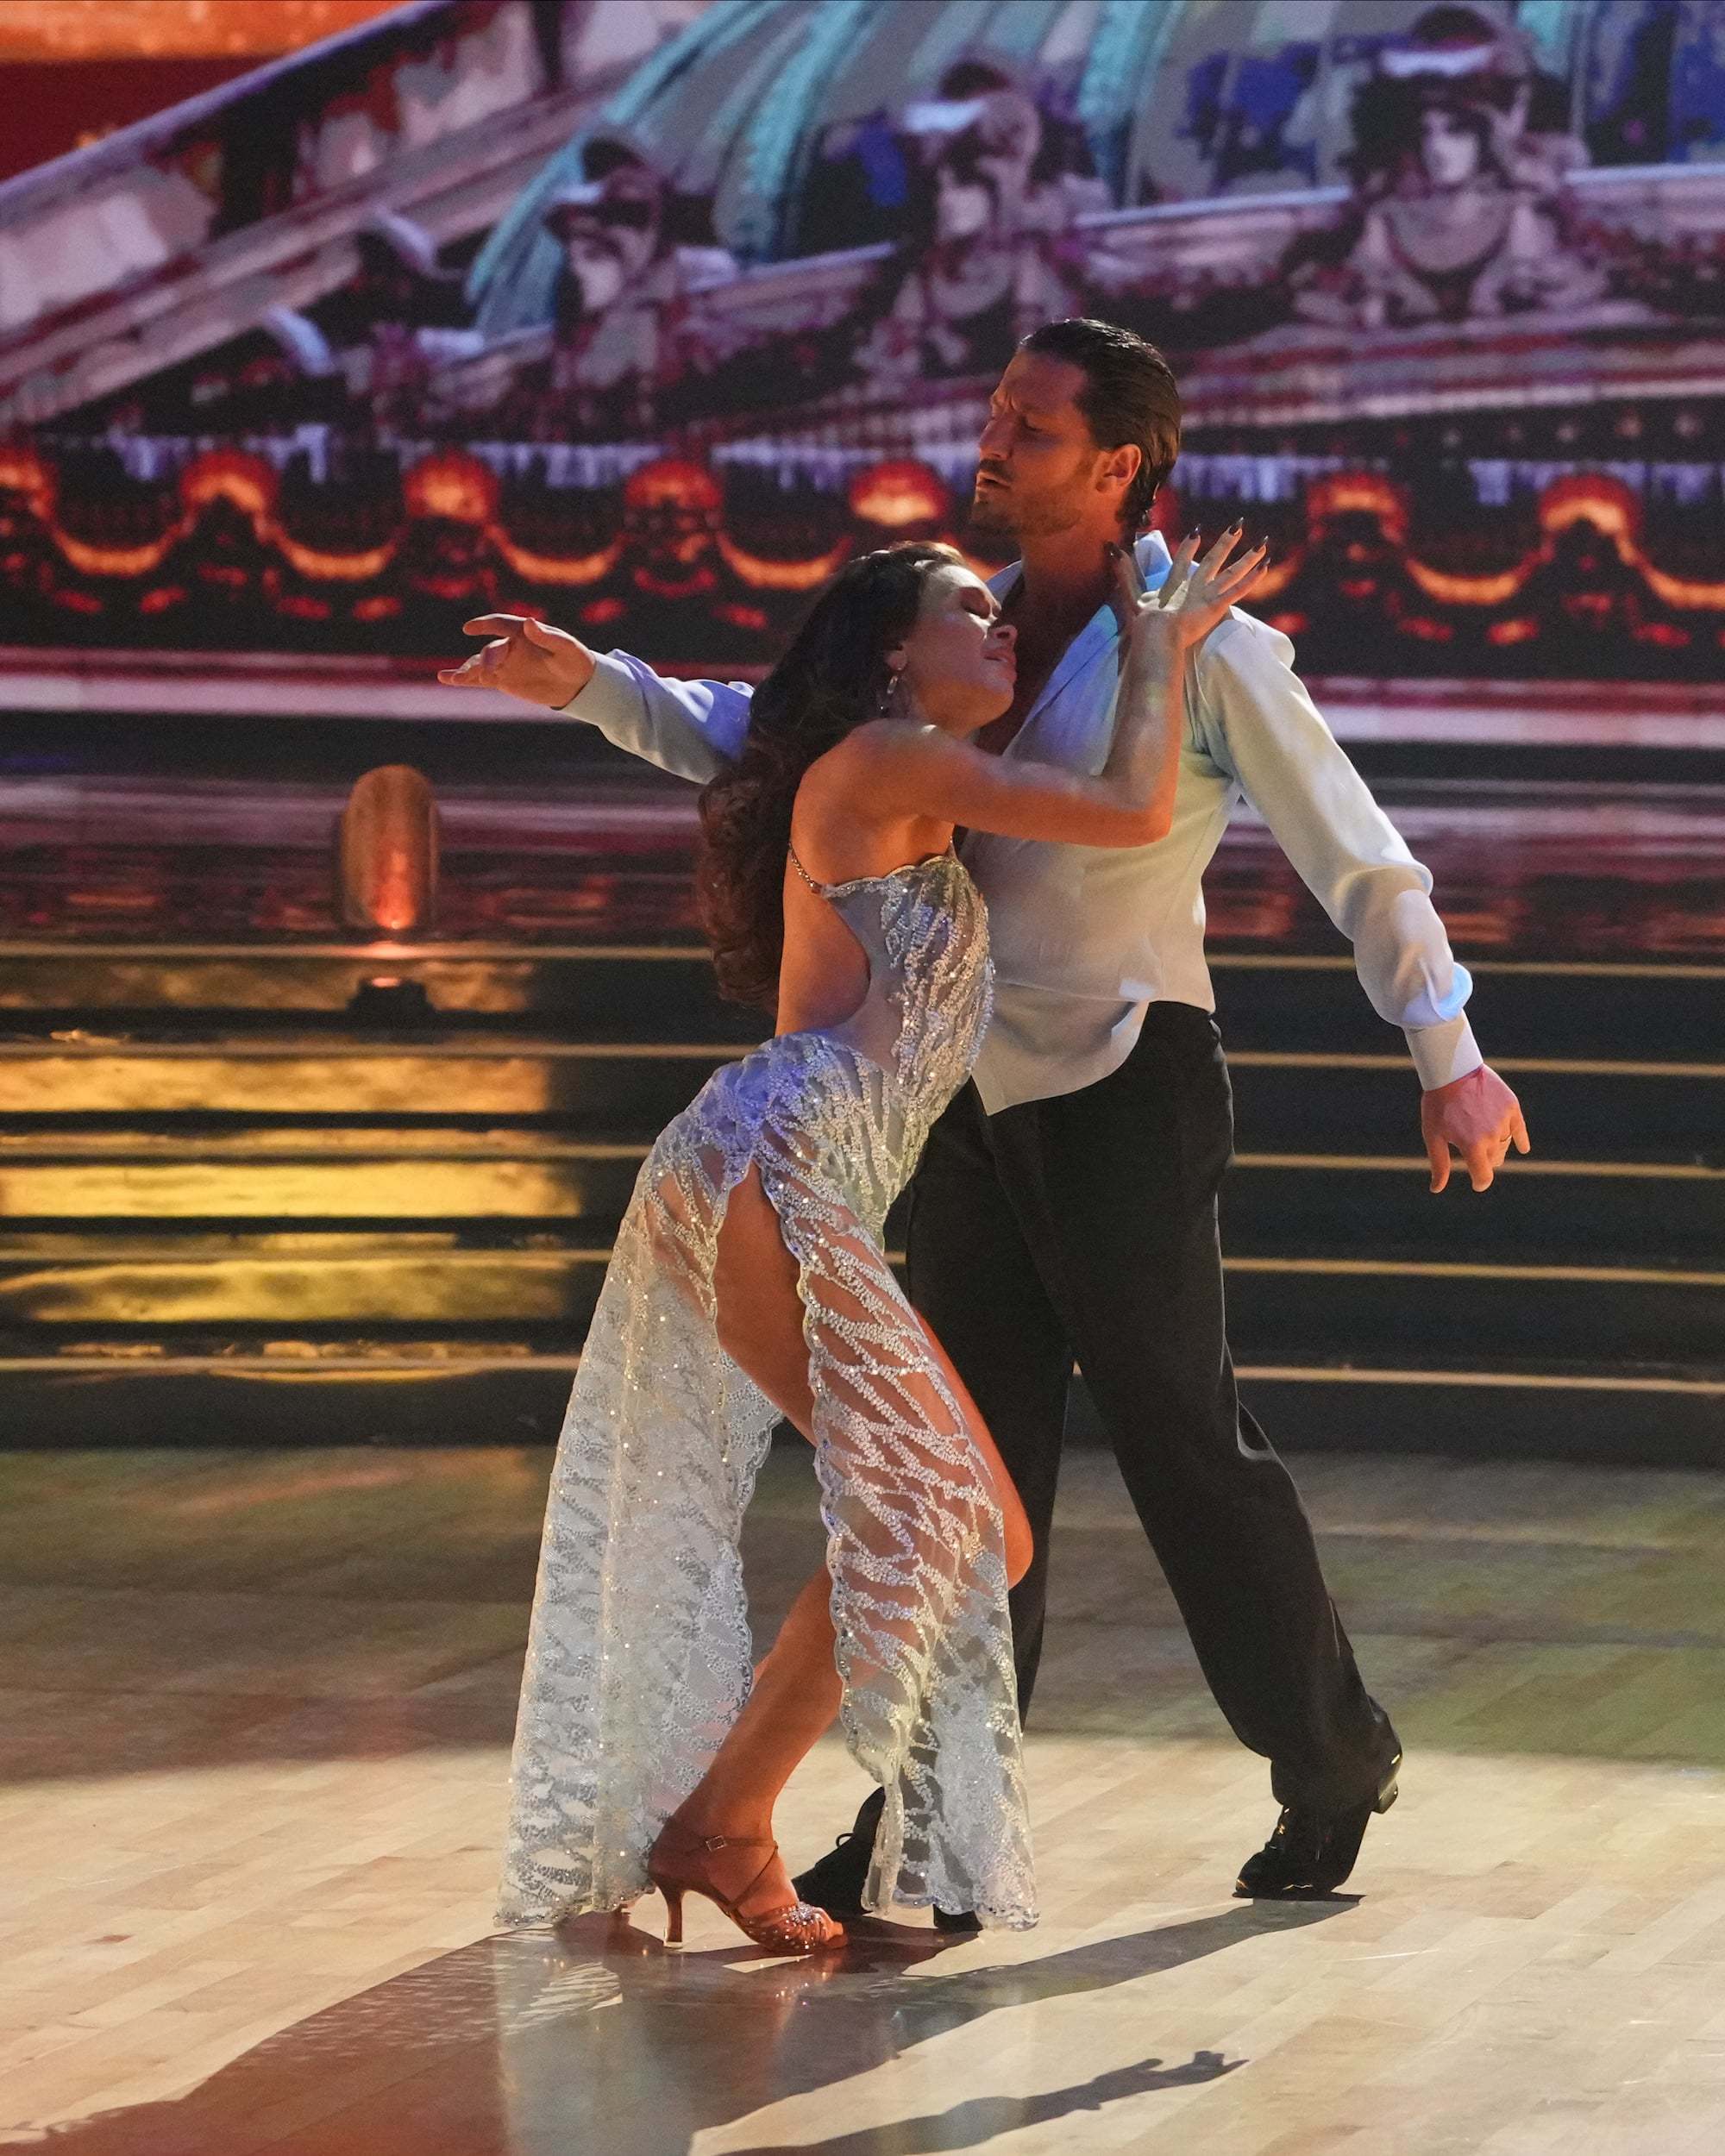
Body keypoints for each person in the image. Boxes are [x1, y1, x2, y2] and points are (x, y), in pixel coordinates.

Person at [444, 317, 1529, 1915]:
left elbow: (1354, 852)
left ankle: (1329, 1757)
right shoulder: (963, 633)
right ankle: (933, 1832)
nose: (991, 444)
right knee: (964, 1472)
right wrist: (598, 686)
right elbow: (774, 731)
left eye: (1030, 427)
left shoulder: (1206, 646)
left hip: (1124, 1081)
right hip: (951, 1102)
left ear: (1119, 464)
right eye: (997, 413)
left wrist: (1449, 1047)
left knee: (1181, 1444)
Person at [491, 525, 1264, 1952]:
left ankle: (720, 1821)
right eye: (971, 609)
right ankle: (722, 1824)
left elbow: (741, 727)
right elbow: (1129, 805)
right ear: (896, 649)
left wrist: (594, 681)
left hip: (787, 1175)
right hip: (774, 1165)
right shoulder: (891, 759)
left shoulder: (901, 772)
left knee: (960, 1526)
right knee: (953, 1521)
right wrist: (1158, 644)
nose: (1001, 626)